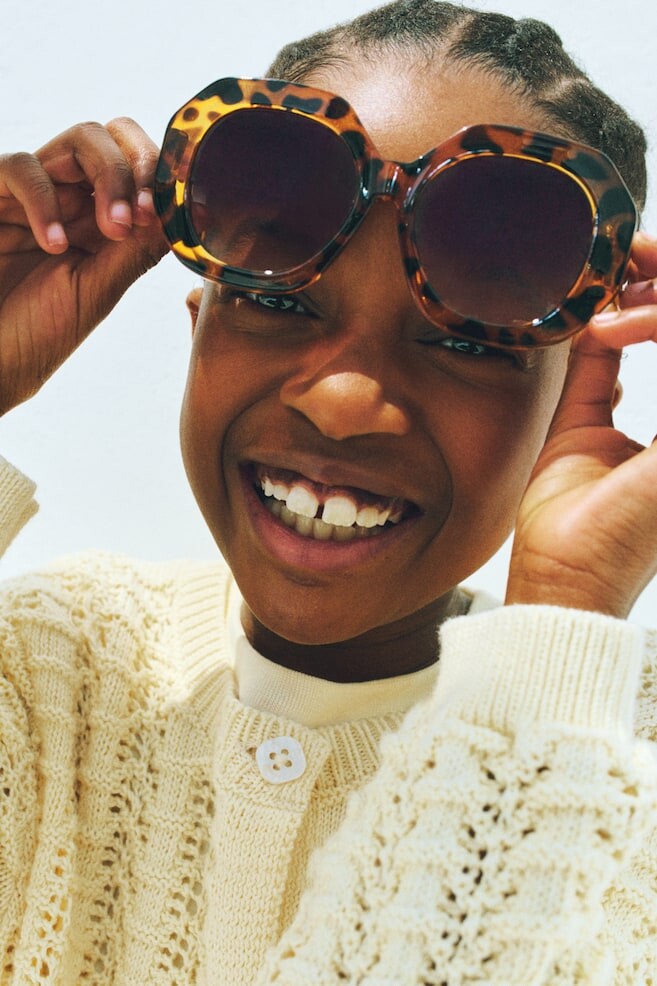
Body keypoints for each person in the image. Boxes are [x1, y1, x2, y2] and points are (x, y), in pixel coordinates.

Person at [1, 0, 656, 982]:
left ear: (574, 402)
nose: (344, 403)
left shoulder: (610, 760)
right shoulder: (47, 670)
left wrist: (561, 617)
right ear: (199, 324)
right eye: (277, 300)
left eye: (465, 343)